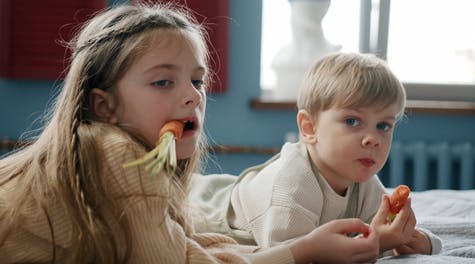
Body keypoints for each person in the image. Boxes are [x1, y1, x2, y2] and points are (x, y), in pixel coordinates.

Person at [0, 3, 381, 263]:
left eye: (197, 80)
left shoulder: (135, 159)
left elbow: (186, 244)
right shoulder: (116, 154)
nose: (192, 96)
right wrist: (302, 251)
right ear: (105, 107)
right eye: (163, 82)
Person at [191, 52, 442, 257]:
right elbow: (290, 257)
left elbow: (376, 230)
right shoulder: (293, 186)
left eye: (383, 126)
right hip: (208, 206)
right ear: (309, 128)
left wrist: (422, 242)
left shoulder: (363, 181)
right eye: (353, 121)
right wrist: (378, 243)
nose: (373, 139)